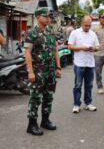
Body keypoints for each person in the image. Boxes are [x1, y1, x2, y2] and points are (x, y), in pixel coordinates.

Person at [24, 7, 61, 136]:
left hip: (50, 72)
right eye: (45, 16)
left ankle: (45, 120)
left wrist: (58, 67)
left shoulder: (51, 32)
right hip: (38, 72)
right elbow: (27, 53)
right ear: (38, 17)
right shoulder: (31, 33)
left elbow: (55, 51)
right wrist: (30, 72)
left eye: (49, 16)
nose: (48, 18)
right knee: (35, 98)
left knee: (48, 97)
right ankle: (32, 124)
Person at [68, 16, 99, 113]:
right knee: (78, 85)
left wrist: (93, 48)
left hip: (90, 63)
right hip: (79, 63)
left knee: (89, 85)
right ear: (81, 23)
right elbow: (70, 46)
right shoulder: (75, 33)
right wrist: (81, 48)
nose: (87, 27)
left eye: (89, 26)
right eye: (86, 25)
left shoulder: (93, 34)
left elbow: (97, 46)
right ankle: (76, 104)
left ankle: (88, 103)